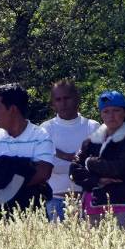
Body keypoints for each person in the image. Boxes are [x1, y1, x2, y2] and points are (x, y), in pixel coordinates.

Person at [0, 83, 54, 217]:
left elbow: (43, 173)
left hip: (32, 217)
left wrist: (1, 168)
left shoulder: (41, 135)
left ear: (12, 109)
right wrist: (24, 168)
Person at [70, 90, 125, 227]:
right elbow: (74, 171)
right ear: (101, 114)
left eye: (116, 110)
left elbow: (120, 169)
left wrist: (90, 162)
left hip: (123, 205)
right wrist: (97, 180)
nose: (111, 116)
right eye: (106, 111)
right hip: (92, 206)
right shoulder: (90, 141)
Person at [40, 79, 97, 221]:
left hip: (87, 200)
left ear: (77, 99)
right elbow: (46, 165)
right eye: (58, 99)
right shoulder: (46, 129)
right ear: (53, 103)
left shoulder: (92, 127)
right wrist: (78, 161)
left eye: (67, 98)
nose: (63, 103)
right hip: (55, 201)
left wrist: (61, 155)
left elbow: (98, 165)